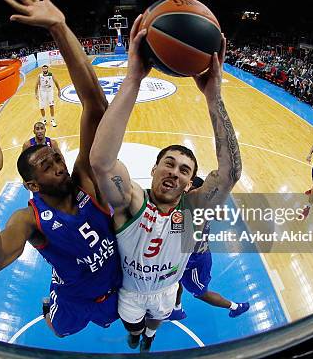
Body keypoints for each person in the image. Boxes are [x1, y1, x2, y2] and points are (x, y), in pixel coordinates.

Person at [0, 0, 121, 338]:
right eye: (47, 166)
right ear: (32, 185)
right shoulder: (28, 219)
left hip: (117, 291)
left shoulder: (84, 181)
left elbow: (96, 105)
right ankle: (50, 305)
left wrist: (59, 28)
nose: (59, 166)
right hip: (73, 299)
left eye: (56, 158)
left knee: (126, 323)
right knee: (58, 330)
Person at [90, 17, 242, 352]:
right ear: (155, 168)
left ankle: (149, 335)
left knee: (155, 323)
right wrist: (133, 78)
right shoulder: (130, 201)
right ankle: (136, 334)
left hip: (166, 292)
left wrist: (214, 96)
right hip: (130, 292)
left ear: (190, 183)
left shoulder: (191, 210)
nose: (175, 172)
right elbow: (101, 162)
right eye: (169, 164)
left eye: (185, 170)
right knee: (132, 326)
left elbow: (229, 174)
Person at [168, 177, 249, 322]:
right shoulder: (198, 205)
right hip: (187, 255)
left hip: (195, 261)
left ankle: (236, 307)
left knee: (201, 293)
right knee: (175, 281)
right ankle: (176, 308)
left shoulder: (192, 209)